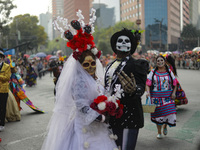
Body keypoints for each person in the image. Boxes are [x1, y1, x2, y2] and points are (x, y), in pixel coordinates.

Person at [41, 9, 118, 150]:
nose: (90, 67)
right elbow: (81, 105)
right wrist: (98, 117)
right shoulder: (79, 81)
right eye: (86, 64)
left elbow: (103, 95)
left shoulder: (97, 79)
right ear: (80, 65)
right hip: (85, 126)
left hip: (99, 125)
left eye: (93, 63)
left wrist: (108, 107)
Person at [104, 28, 149, 150]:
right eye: (120, 41)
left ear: (131, 45)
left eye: (127, 41)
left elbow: (141, 87)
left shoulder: (138, 64)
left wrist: (135, 89)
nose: (123, 43)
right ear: (115, 45)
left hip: (130, 116)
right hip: (112, 116)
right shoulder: (109, 65)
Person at [146, 55, 177, 139]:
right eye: (158, 61)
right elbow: (148, 83)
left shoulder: (169, 71)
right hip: (156, 98)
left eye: (161, 60)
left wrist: (174, 93)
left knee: (168, 113)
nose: (160, 62)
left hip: (168, 97)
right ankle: (159, 132)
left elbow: (175, 83)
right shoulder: (152, 72)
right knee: (158, 116)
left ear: (164, 61)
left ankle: (165, 126)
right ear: (156, 62)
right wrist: (148, 92)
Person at [0, 50, 11, 131]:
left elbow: (6, 78)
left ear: (2, 58)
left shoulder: (6, 66)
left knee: (3, 107)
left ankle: (2, 124)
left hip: (3, 90)